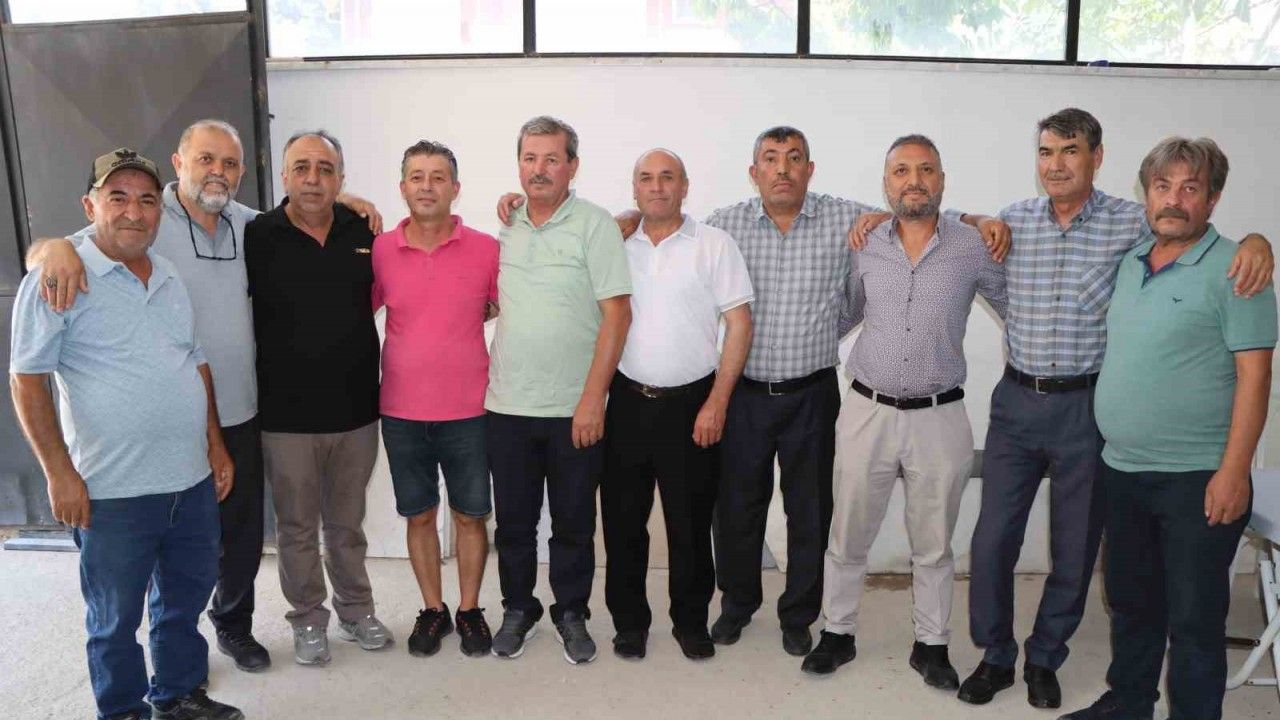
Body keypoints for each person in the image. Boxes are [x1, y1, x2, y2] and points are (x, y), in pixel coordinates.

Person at [27, 119, 385, 674]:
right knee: (158, 553)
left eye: (229, 163)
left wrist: (347, 201)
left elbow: (309, 204)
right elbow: (64, 248)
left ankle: (232, 628)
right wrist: (48, 249)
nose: (218, 172)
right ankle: (162, 663)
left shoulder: (250, 225)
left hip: (238, 410)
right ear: (179, 164)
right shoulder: (146, 219)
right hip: (157, 426)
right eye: (206, 160)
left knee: (237, 539)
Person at [944, 109, 1272, 709]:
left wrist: (1259, 241)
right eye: (1047, 151)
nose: (1057, 164)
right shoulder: (1018, 221)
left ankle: (1046, 657)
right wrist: (976, 218)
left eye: (1070, 150)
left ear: (1097, 158)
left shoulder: (1134, 224)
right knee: (993, 542)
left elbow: (1205, 237)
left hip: (1087, 410)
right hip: (1022, 405)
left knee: (1077, 551)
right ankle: (998, 656)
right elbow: (945, 219)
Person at [9, 148, 243, 720]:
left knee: (183, 602)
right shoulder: (58, 275)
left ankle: (178, 695)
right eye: (117, 197)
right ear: (90, 205)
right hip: (111, 491)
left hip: (189, 482)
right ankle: (122, 711)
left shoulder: (168, 275)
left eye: (146, 200)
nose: (134, 212)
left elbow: (195, 363)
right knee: (114, 620)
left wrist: (215, 445)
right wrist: (59, 473)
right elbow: (27, 380)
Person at [1061, 137, 1276, 720]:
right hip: (1123, 468)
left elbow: (1255, 380)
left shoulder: (1238, 271)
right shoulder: (1132, 262)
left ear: (1213, 199)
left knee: (1195, 619)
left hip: (1198, 477)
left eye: (1190, 187)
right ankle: (1130, 703)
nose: (1174, 199)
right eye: (1163, 186)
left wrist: (1234, 472)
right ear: (1147, 194)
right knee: (1132, 601)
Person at [803, 136, 1006, 689]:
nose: (913, 180)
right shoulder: (864, 242)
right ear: (886, 181)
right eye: (901, 171)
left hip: (940, 416)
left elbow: (1017, 307)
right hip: (867, 409)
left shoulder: (973, 247)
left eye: (925, 169)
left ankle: (931, 645)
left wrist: (980, 218)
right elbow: (846, 312)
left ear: (941, 178)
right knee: (847, 531)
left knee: (934, 542)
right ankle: (837, 633)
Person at [486, 116, 632, 665]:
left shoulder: (595, 225)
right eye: (530, 158)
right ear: (518, 165)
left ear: (573, 166)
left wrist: (593, 399)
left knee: (573, 524)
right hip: (507, 406)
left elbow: (617, 315)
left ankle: (571, 612)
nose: (540, 169)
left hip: (575, 409)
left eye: (552, 158)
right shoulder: (507, 224)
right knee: (514, 525)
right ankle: (518, 609)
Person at [245, 130, 390, 666]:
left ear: (341, 178)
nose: (313, 179)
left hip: (356, 412)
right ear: (283, 176)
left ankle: (356, 610)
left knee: (347, 526)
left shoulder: (363, 229)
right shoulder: (256, 234)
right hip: (285, 417)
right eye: (301, 168)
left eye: (326, 169)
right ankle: (308, 618)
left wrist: (352, 204)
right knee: (298, 529)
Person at [602, 148, 753, 661]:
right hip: (627, 402)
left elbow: (740, 325)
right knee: (624, 523)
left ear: (684, 186)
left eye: (668, 177)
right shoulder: (615, 245)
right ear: (635, 188)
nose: (657, 186)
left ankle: (690, 622)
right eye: (646, 178)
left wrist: (717, 402)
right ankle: (629, 624)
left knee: (689, 524)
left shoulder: (714, 244)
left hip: (692, 405)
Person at [372, 140, 498, 658]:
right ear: (403, 187)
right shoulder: (379, 250)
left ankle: (468, 609)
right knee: (419, 515)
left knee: (470, 516)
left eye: (438, 176)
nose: (427, 186)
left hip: (469, 410)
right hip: (400, 410)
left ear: (455, 188)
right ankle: (433, 609)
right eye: (417, 176)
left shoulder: (486, 249)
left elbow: (502, 305)